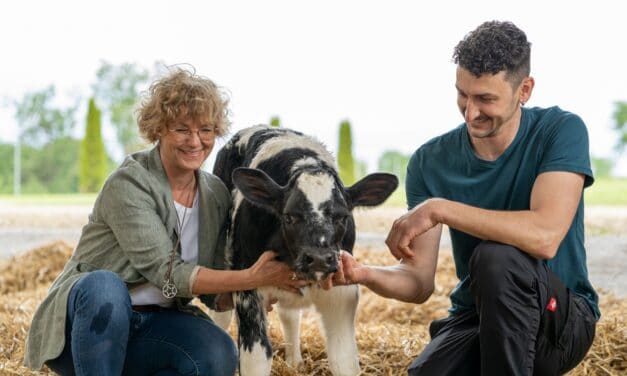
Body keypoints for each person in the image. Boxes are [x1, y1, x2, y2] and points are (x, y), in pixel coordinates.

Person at [333, 21, 598, 375]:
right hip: (478, 318)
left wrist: (440, 209)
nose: (471, 112)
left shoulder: (561, 131)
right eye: (463, 94)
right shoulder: (431, 161)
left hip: (559, 325)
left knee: (496, 258)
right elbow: (418, 283)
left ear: (525, 90)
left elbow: (545, 237)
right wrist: (364, 273)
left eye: (486, 99)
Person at [24, 67, 306, 375]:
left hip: (152, 327)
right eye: (182, 129)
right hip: (86, 329)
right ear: (158, 128)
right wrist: (253, 277)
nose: (195, 141)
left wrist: (255, 292)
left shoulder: (215, 194)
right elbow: (167, 271)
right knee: (105, 286)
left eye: (206, 130)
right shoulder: (129, 183)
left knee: (218, 352)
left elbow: (212, 287)